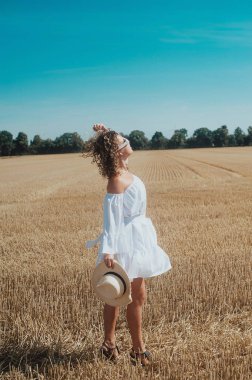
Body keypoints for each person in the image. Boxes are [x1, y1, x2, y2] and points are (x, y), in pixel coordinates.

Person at [83, 124, 172, 366]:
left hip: (138, 238)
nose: (128, 141)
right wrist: (108, 251)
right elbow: (110, 220)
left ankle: (109, 344)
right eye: (124, 141)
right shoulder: (117, 180)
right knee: (126, 296)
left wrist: (106, 131)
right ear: (117, 152)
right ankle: (137, 349)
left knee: (126, 296)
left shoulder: (125, 173)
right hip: (125, 243)